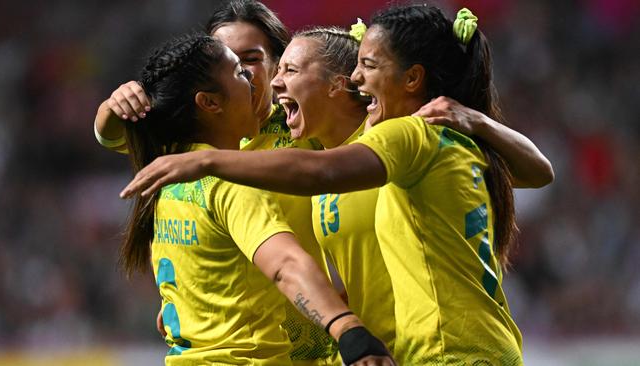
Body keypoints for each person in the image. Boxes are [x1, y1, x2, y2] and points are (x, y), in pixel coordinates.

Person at [121, 5, 540, 365]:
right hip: (395, 351)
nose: (268, 82)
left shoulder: (395, 142)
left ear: (336, 86)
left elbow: (314, 176)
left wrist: (207, 160)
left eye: (287, 68)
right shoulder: (363, 150)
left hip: (436, 349)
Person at [117, 31, 393, 365]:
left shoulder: (167, 178)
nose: (254, 80)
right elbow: (285, 265)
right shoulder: (226, 179)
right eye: (237, 72)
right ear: (209, 102)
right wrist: (347, 328)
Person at [93, 1, 339, 364]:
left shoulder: (305, 124)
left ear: (278, 64)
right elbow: (112, 133)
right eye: (232, 63)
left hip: (316, 340)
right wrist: (116, 105)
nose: (246, 74)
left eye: (251, 59)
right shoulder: (192, 147)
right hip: (257, 347)